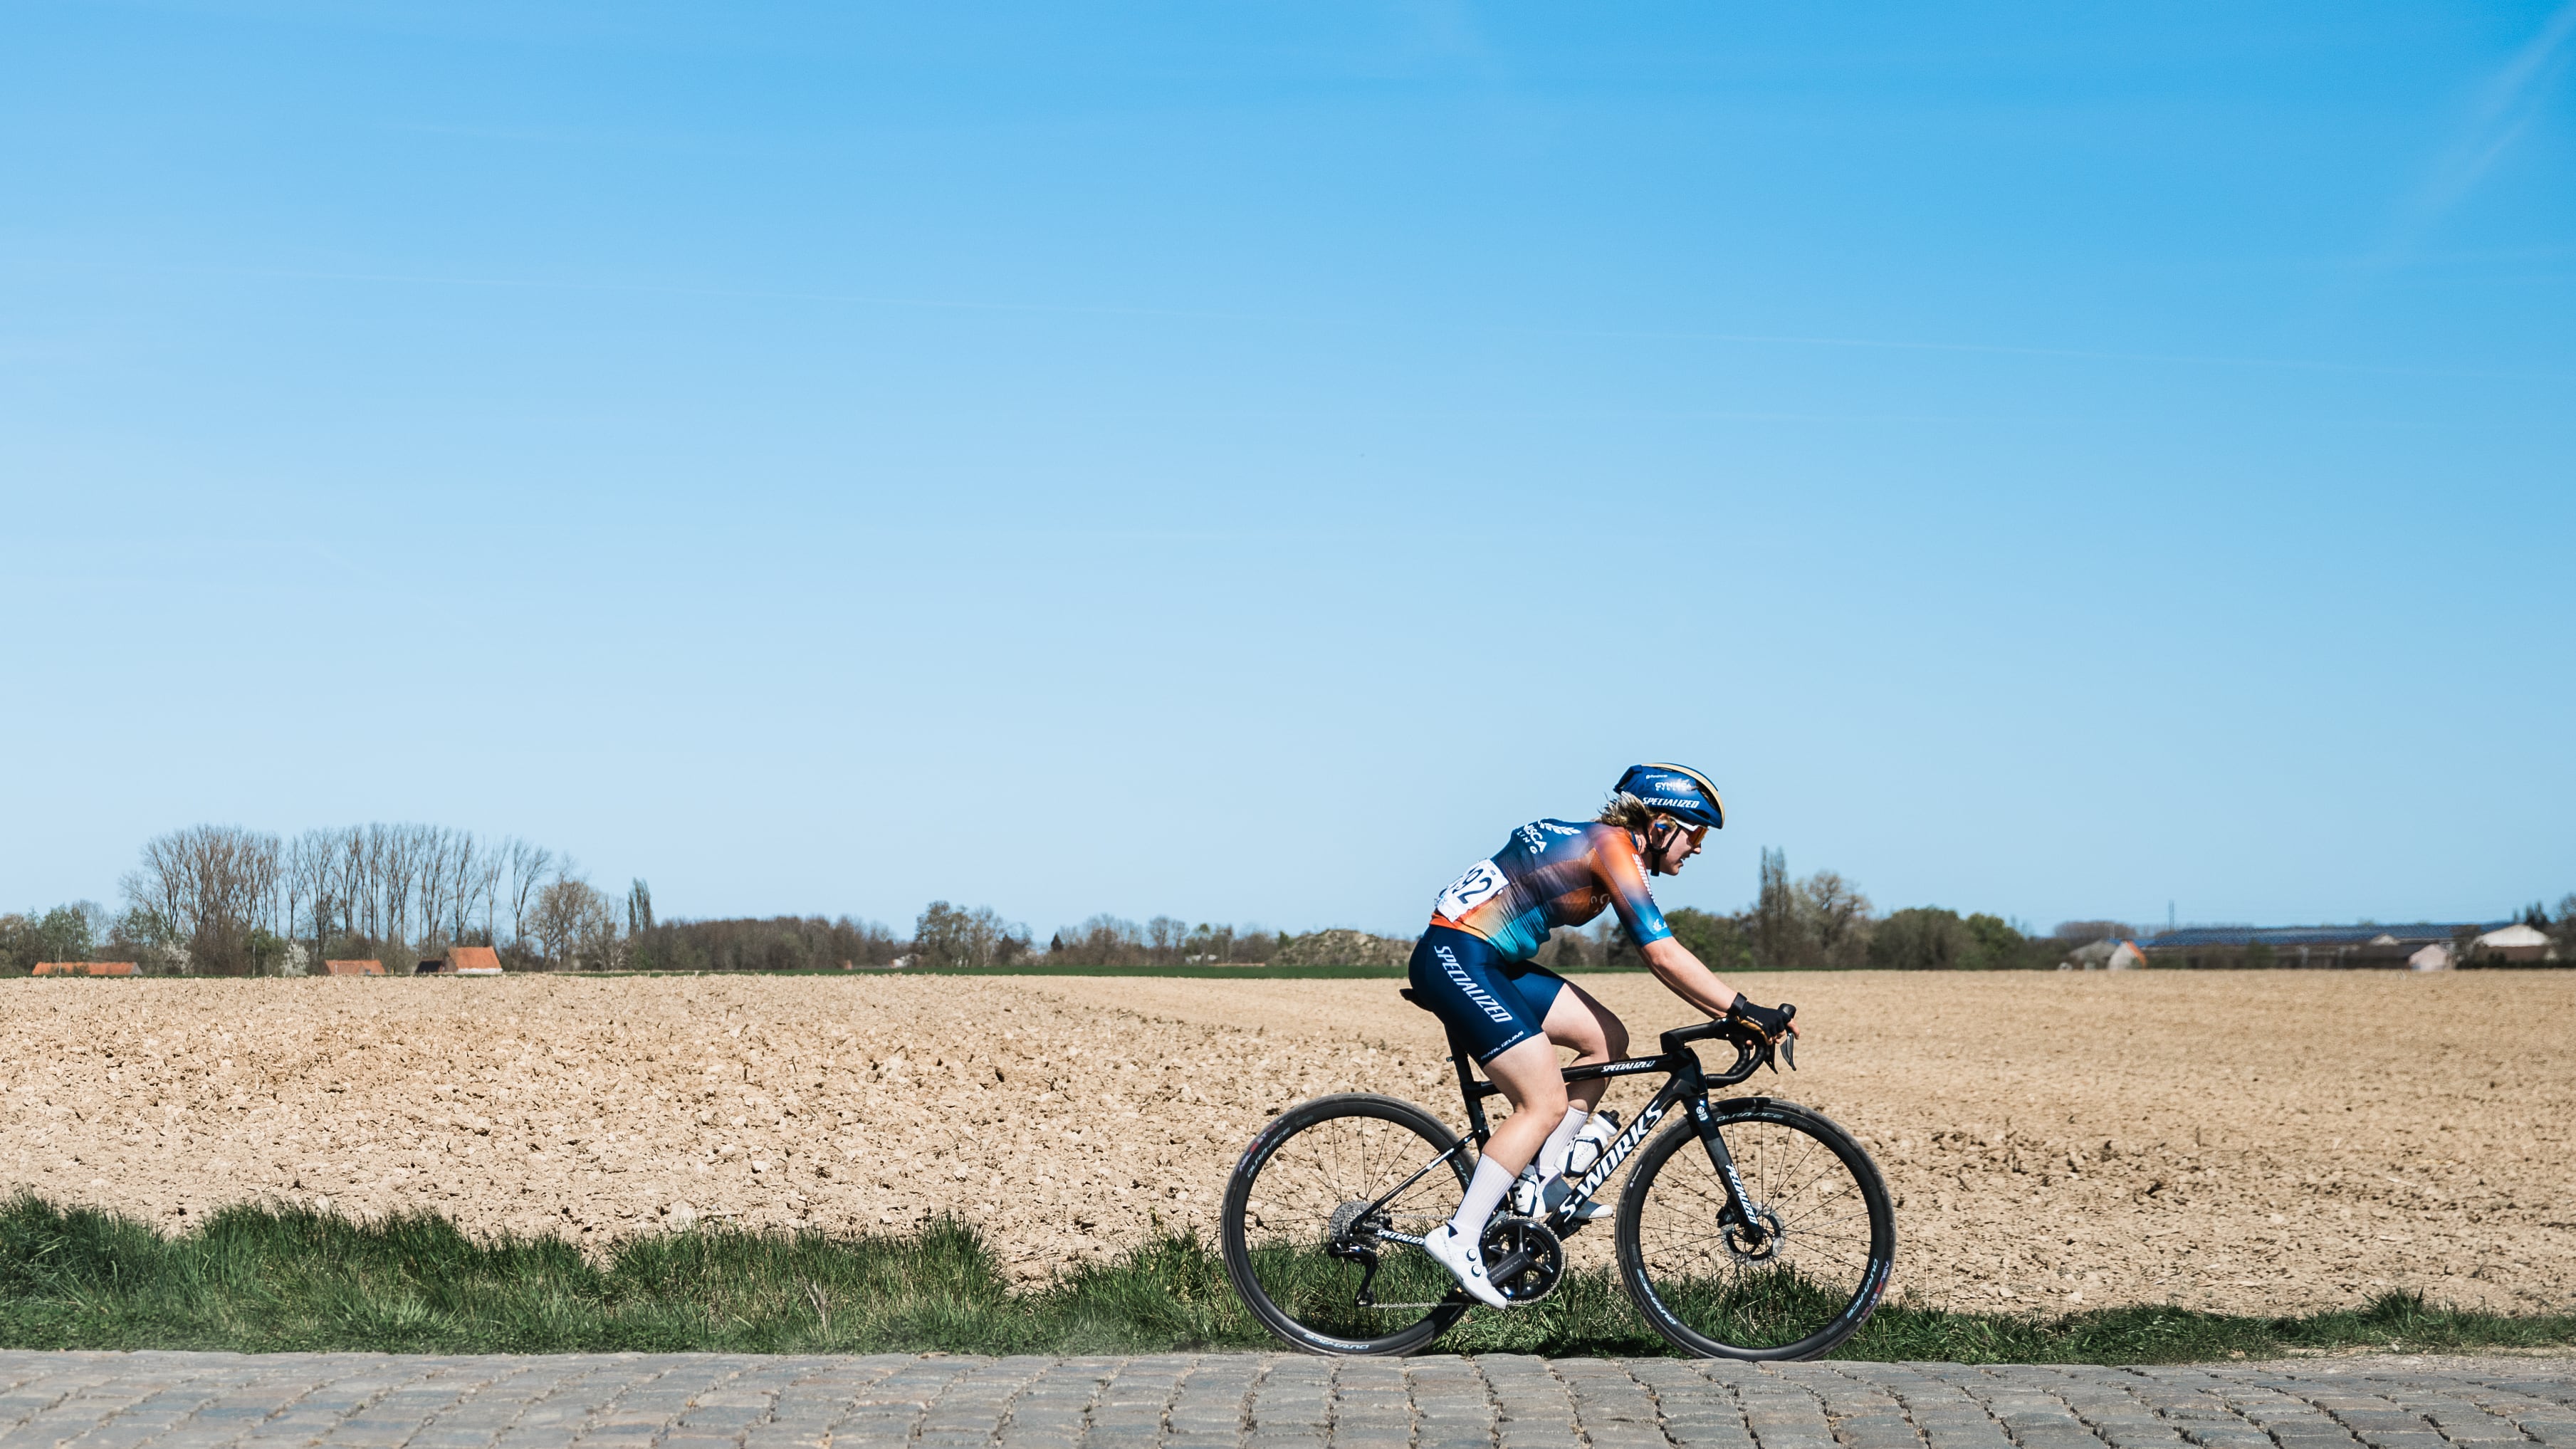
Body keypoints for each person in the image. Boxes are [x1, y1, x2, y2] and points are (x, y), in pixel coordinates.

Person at [1405, 762, 1797, 1308]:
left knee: (1609, 1039)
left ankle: (1545, 1179)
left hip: (1488, 957)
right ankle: (1460, 1234)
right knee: (1542, 1102)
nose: (1700, 848)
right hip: (1458, 956)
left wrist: (1734, 1010)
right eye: (1696, 833)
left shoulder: (1604, 842)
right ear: (1661, 824)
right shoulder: (1614, 848)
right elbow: (1660, 952)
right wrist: (1741, 1007)